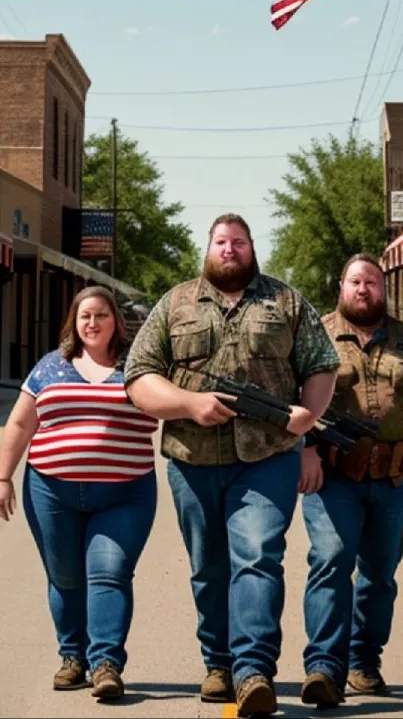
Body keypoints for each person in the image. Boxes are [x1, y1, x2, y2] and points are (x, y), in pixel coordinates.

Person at [123, 213, 339, 717]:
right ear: (209, 247)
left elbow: (320, 363)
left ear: (250, 247)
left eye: (238, 242)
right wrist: (189, 405)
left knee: (258, 555)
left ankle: (253, 669)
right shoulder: (174, 303)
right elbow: (138, 377)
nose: (229, 249)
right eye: (221, 241)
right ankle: (218, 663)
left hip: (267, 457)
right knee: (209, 568)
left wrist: (308, 414)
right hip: (192, 460)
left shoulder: (285, 301)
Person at [0, 285, 158, 700]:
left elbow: (169, 406)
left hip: (125, 494)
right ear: (74, 322)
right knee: (66, 577)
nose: (92, 323)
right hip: (51, 493)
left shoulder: (138, 368)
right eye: (85, 316)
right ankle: (73, 658)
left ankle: (106, 663)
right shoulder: (50, 367)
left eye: (101, 315)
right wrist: (3, 477)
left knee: (109, 572)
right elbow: (18, 425)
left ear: (117, 322)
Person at [300, 253, 403, 709]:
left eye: (373, 283)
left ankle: (364, 662)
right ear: (340, 286)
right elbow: (293, 397)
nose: (364, 290)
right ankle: (324, 666)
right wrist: (304, 450)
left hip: (394, 478)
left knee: (379, 578)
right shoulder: (315, 335)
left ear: (383, 289)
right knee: (331, 561)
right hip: (334, 474)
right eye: (356, 282)